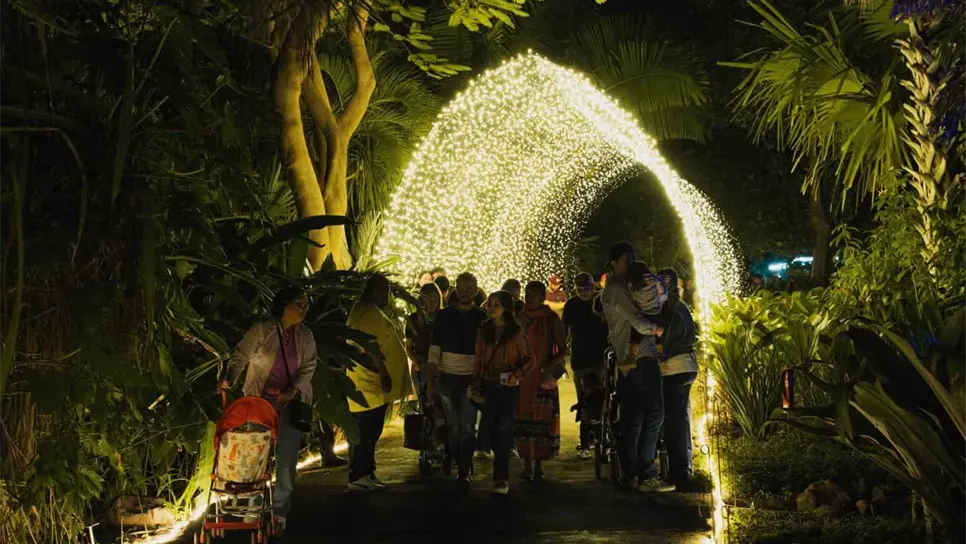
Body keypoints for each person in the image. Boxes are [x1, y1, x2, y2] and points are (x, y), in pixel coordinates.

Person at [222, 286, 317, 531]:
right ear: (284, 306)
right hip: (258, 403)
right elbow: (240, 356)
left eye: (307, 305)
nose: (304, 309)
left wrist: (292, 391)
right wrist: (230, 377)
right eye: (300, 304)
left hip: (291, 404)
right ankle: (252, 509)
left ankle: (279, 513)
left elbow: (309, 367)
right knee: (254, 457)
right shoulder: (262, 331)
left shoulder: (305, 336)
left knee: (286, 460)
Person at [601, 242, 675, 493]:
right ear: (613, 262)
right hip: (636, 360)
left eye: (632, 260)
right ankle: (641, 472)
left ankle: (636, 472)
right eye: (626, 261)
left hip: (642, 357)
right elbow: (636, 320)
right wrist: (656, 328)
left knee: (641, 417)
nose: (630, 265)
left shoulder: (626, 286)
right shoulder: (616, 288)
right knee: (646, 416)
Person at [345, 274, 411, 491]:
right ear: (378, 292)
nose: (389, 297)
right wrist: (383, 372)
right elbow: (370, 346)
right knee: (367, 431)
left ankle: (367, 473)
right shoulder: (368, 314)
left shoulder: (362, 310)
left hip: (366, 382)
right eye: (388, 292)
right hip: (368, 383)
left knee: (368, 431)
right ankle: (359, 475)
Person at [427, 272, 488, 491]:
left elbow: (486, 352)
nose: (465, 293)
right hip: (447, 379)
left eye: (469, 289)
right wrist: (431, 381)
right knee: (454, 427)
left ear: (476, 289)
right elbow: (435, 350)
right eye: (461, 289)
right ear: (456, 289)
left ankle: (464, 470)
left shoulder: (482, 318)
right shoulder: (444, 316)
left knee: (468, 426)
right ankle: (458, 458)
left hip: (471, 379)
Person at [471, 291, 534, 495]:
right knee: (491, 426)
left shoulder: (515, 332)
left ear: (505, 308)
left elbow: (528, 358)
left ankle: (501, 477)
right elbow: (480, 357)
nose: (491, 307)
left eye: (496, 304)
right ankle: (498, 472)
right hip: (489, 383)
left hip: (508, 386)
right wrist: (477, 381)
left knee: (504, 429)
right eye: (490, 304)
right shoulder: (484, 329)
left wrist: (517, 374)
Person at [516, 281, 566, 481]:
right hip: (522, 376)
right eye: (527, 294)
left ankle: (538, 465)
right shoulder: (520, 317)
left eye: (534, 294)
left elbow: (562, 348)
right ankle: (526, 463)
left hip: (543, 376)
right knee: (523, 421)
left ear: (541, 296)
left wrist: (548, 367)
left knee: (541, 421)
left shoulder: (550, 318)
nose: (529, 298)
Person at [657, 268, 699, 488]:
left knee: (674, 422)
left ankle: (679, 472)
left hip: (674, 368)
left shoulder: (670, 308)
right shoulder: (680, 306)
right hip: (685, 366)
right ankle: (684, 467)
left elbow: (666, 341)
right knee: (681, 419)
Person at [562, 272, 609, 459]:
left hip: (600, 358)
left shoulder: (600, 302)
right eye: (579, 288)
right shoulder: (572, 305)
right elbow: (564, 328)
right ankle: (586, 439)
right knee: (584, 400)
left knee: (601, 398)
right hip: (580, 359)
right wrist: (561, 349)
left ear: (593, 286)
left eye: (586, 288)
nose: (583, 292)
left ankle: (601, 435)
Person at [406, 282, 442, 397]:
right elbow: (409, 346)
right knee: (425, 401)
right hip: (421, 364)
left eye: (435, 298)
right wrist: (415, 360)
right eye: (428, 298)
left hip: (440, 364)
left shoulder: (443, 316)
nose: (432, 301)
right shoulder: (414, 319)